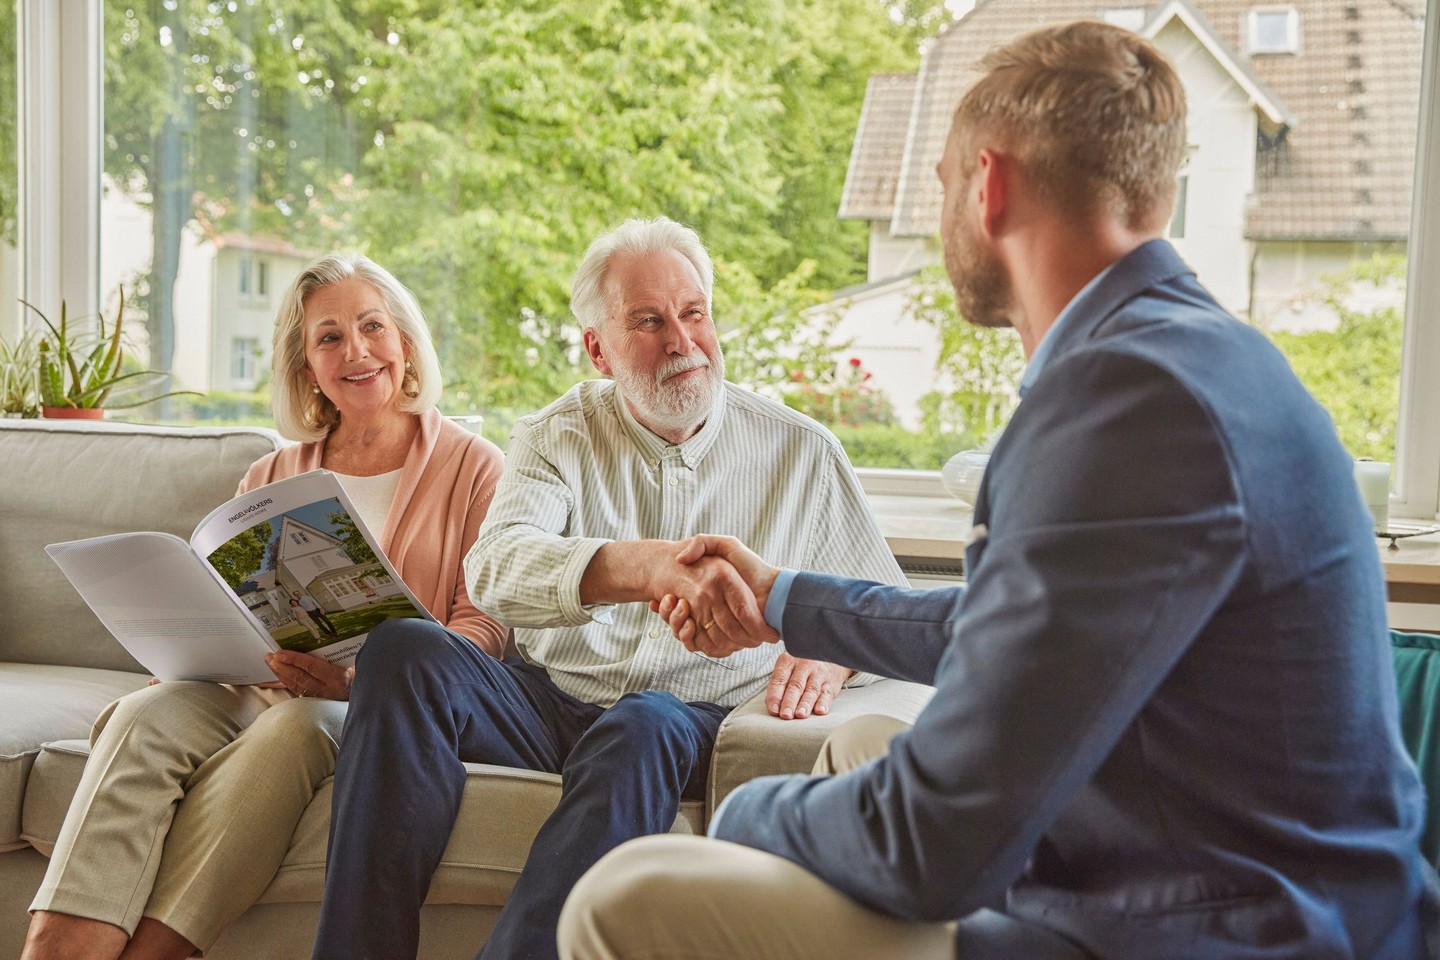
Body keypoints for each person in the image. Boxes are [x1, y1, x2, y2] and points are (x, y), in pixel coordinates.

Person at [557, 21, 1437, 960]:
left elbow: (932, 846)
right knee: (859, 747)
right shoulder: (1197, 357)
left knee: (625, 896)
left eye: (942, 185)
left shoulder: (1127, 403)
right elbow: (1010, 626)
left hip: (1221, 932)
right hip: (1224, 861)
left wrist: (746, 818)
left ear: (990, 186)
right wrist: (781, 599)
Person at [308, 217, 908, 960]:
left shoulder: (802, 452)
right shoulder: (555, 434)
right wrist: (643, 567)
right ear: (598, 349)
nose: (683, 341)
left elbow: (884, 610)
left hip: (682, 718)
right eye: (649, 321)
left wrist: (831, 653)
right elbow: (494, 570)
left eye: (694, 313)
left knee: (642, 722)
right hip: (546, 702)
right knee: (403, 648)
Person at [22, 253, 507, 960]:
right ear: (307, 366)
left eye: (372, 327)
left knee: (297, 727)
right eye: (330, 337)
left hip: (369, 707)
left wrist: (362, 678)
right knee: (144, 714)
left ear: (405, 342)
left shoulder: (475, 465)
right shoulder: (271, 474)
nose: (356, 351)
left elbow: (485, 630)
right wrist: (186, 650)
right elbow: (229, 603)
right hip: (253, 683)